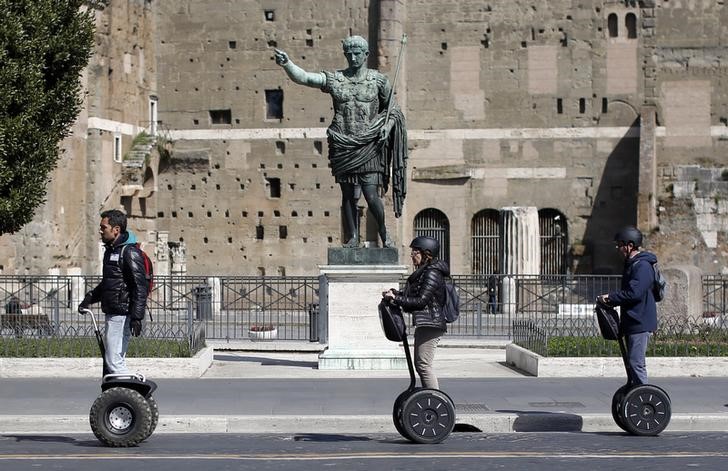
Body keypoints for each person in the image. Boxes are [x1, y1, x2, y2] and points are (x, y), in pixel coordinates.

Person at [274, 36, 407, 248]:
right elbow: (305, 78)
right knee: (347, 194)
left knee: (371, 194)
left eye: (357, 53)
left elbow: (394, 110)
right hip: (342, 143)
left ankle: (384, 233)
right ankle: (352, 237)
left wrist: (387, 127)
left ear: (366, 55)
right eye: (349, 54)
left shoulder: (378, 80)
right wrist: (287, 64)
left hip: (368, 144)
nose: (353, 57)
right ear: (345, 55)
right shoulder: (335, 79)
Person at [78, 209, 148, 374]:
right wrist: (90, 298)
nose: (100, 230)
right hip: (113, 312)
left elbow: (140, 287)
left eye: (104, 227)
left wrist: (137, 317)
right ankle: (120, 395)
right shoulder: (111, 251)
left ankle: (129, 395)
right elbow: (109, 283)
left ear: (116, 229)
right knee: (112, 361)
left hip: (122, 314)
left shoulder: (129, 252)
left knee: (114, 361)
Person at [383, 236, 448, 389]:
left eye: (415, 252)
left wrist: (396, 299)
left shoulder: (431, 273)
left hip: (431, 324)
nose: (412, 255)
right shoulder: (424, 272)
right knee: (420, 365)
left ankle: (434, 399)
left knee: (423, 365)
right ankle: (430, 398)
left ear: (426, 253)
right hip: (425, 323)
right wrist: (396, 294)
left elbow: (421, 301)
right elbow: (414, 295)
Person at [598, 226, 658, 385]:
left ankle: (643, 397)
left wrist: (611, 298)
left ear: (629, 245)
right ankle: (635, 392)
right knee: (632, 363)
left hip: (640, 321)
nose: (618, 248)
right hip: (633, 320)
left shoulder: (642, 266)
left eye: (620, 245)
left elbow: (634, 293)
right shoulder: (633, 264)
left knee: (636, 363)